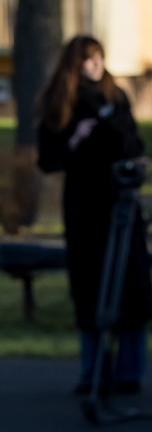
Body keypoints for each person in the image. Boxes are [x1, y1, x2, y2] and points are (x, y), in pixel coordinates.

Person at [37, 34, 150, 396]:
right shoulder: (63, 104)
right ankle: (93, 370)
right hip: (86, 208)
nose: (96, 66)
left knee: (130, 288)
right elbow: (49, 158)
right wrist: (75, 140)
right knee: (90, 289)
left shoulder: (115, 98)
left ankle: (129, 372)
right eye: (88, 59)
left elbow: (133, 145)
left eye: (99, 58)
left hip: (119, 204)